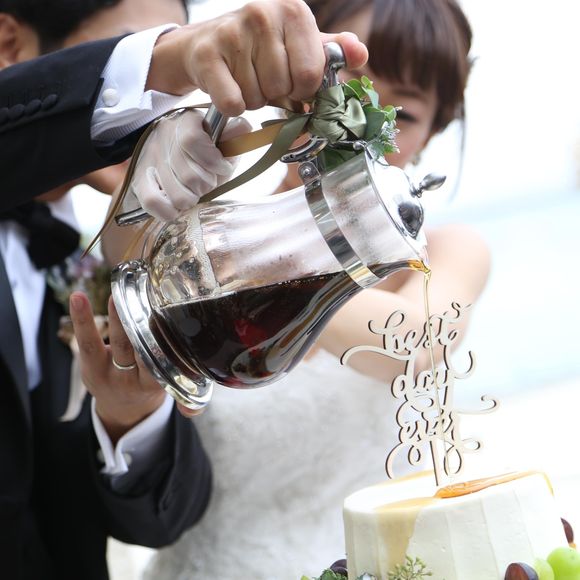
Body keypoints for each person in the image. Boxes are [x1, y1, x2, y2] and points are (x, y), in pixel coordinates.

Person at [0, 1, 370, 579]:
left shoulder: (92, 259)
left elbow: (157, 519)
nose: (165, 103)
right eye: (139, 57)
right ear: (8, 45)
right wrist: (171, 59)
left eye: (174, 87)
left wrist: (130, 419)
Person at [144, 0, 491, 578]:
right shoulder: (192, 235)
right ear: (290, 76)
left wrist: (253, 267)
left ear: (432, 132)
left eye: (402, 113)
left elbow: (410, 343)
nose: (355, 120)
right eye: (344, 86)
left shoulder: (450, 252)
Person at [0, 0, 369, 212]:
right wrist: (170, 61)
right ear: (9, 46)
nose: (155, 105)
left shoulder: (66, 256)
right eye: (133, 52)